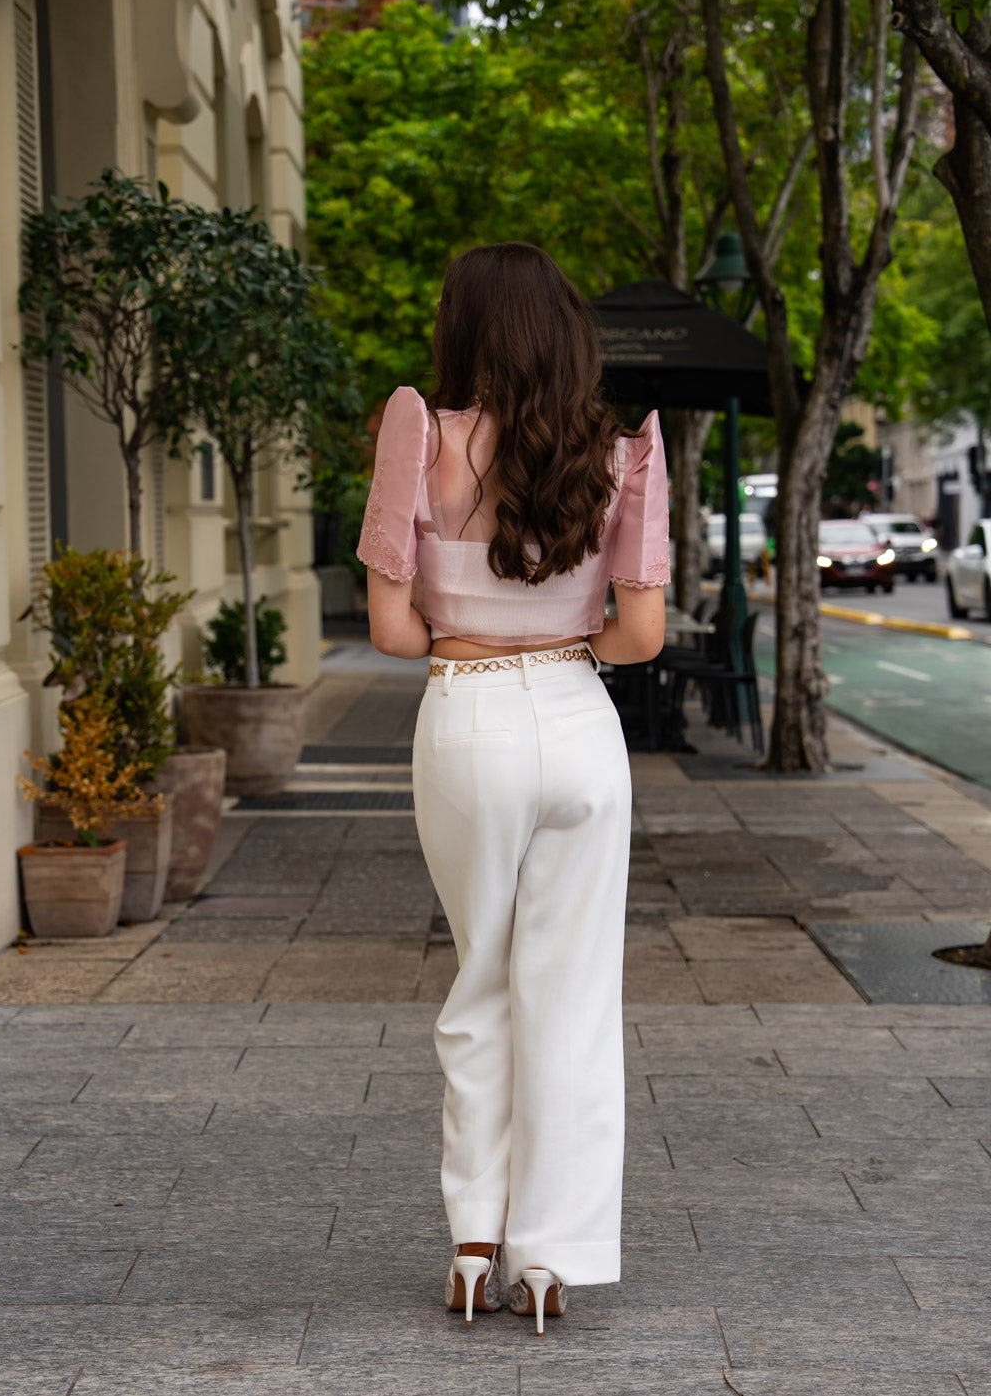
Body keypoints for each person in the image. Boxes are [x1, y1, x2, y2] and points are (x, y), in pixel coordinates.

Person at [357, 242, 669, 1336]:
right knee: (573, 994)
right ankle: (550, 1258)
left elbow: (394, 630)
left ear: (464, 329)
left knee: (479, 979)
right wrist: (560, 613)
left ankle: (472, 1242)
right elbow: (640, 634)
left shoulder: (418, 430)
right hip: (582, 723)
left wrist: (475, 612)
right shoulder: (624, 455)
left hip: (468, 714)